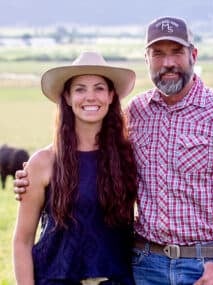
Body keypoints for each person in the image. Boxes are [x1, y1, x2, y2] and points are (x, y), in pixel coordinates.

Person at [14, 17, 213, 285]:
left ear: (193, 55)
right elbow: (84, 152)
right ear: (147, 59)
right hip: (144, 267)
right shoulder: (137, 114)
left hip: (205, 269)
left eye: (177, 52)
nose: (168, 63)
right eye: (158, 54)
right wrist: (32, 176)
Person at [12, 51, 138, 285]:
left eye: (99, 88)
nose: (90, 97)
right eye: (80, 89)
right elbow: (22, 240)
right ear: (68, 98)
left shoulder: (127, 157)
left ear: (111, 96)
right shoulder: (43, 162)